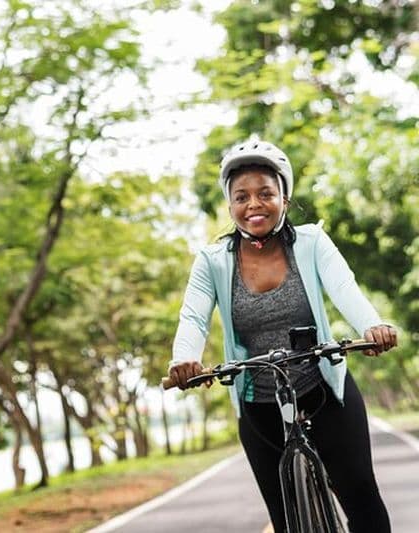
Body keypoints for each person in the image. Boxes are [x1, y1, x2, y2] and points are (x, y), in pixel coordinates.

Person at [167, 140, 396, 533]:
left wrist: (370, 327)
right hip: (258, 402)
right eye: (241, 196)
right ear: (229, 206)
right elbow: (194, 317)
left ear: (284, 199)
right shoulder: (211, 261)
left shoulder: (311, 242)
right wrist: (184, 358)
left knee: (361, 498)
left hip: (322, 388)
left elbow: (345, 289)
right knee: (285, 519)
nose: (253, 203)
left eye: (265, 193)